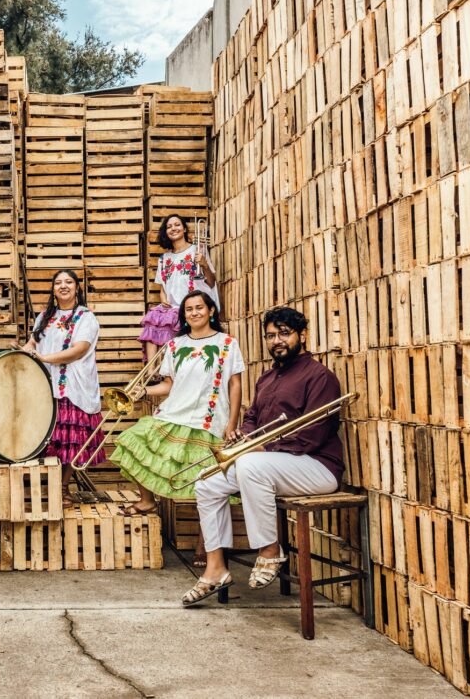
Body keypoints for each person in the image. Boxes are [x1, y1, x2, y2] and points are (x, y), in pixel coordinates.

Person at [183, 306, 344, 606]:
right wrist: (242, 435)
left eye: (284, 333)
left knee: (250, 464)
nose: (276, 341)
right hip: (270, 464)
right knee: (206, 483)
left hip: (317, 467)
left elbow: (314, 435)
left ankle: (270, 550)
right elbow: (253, 417)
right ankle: (216, 569)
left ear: (302, 335)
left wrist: (262, 448)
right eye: (271, 336)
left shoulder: (320, 377)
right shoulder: (267, 379)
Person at [109, 291, 243, 517]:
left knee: (206, 482)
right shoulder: (174, 345)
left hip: (207, 421)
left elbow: (235, 385)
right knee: (132, 439)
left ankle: (205, 544)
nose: (194, 313)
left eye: (199, 307)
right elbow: (169, 385)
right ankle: (147, 501)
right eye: (188, 309)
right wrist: (144, 391)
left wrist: (231, 424)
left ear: (211, 311)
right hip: (173, 415)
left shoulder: (227, 343)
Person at [21, 270, 102, 504]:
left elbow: (80, 349)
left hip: (73, 386)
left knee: (71, 440)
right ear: (53, 289)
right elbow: (33, 342)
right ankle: (47, 488)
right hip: (46, 384)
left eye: (68, 282)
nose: (63, 286)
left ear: (77, 287)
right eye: (58, 282)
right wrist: (21, 353)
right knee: (50, 439)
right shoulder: (45, 316)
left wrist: (45, 359)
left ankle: (63, 488)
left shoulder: (86, 317)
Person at [139, 214, 218, 368]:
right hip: (171, 306)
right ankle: (150, 371)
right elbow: (163, 288)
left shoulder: (197, 250)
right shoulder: (164, 258)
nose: (173, 228)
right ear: (165, 232)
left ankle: (166, 370)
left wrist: (204, 264)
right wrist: (163, 299)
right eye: (169, 226)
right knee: (151, 321)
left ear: (184, 228)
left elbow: (211, 282)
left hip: (190, 306)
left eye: (177, 225)